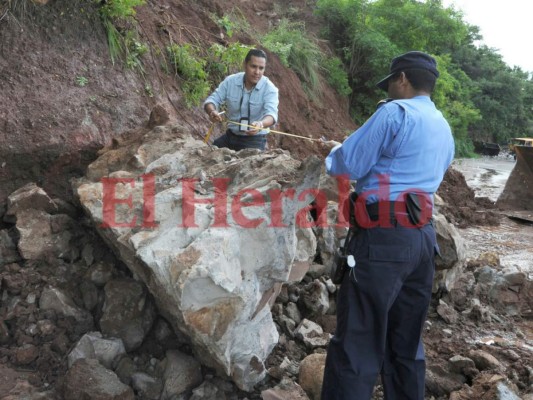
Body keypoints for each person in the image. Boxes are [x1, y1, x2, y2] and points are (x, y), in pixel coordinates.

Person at [320, 51, 455, 399]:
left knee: (358, 343)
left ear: (403, 79)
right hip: (423, 241)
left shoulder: (394, 113)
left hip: (382, 239)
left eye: (392, 82)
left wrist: (335, 152)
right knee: (406, 346)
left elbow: (347, 164)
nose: (391, 89)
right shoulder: (442, 125)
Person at [203, 48, 279, 151]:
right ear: (245, 65)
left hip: (255, 140)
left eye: (261, 68)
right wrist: (212, 111)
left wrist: (260, 124)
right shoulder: (231, 81)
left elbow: (272, 115)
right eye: (253, 66)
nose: (257, 72)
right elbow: (211, 100)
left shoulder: (270, 89)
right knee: (210, 154)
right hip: (230, 136)